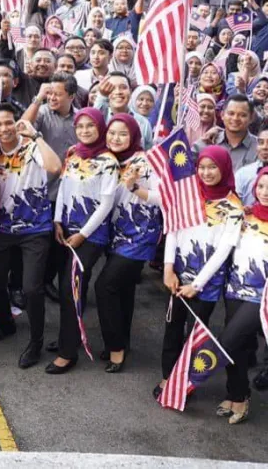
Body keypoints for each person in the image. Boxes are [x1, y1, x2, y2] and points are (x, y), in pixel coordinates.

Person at [155, 145, 243, 402]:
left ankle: (184, 381)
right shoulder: (188, 195)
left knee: (194, 334)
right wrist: (168, 268)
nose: (206, 172)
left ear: (224, 168)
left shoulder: (233, 207)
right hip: (178, 277)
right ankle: (167, 376)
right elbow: (173, 230)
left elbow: (223, 251)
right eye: (202, 167)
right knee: (172, 329)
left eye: (212, 167)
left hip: (206, 285)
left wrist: (198, 283)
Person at [0, 103, 62, 368]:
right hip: (3, 227)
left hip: (35, 229)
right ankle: (6, 325)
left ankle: (36, 343)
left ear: (17, 123)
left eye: (9, 122)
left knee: (31, 288)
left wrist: (36, 136)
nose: (4, 128)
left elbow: (54, 167)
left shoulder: (32, 148)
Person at [48, 108, 119, 374]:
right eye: (81, 126)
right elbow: (64, 189)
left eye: (91, 126)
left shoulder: (108, 161)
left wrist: (83, 235)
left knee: (71, 287)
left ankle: (68, 353)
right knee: (68, 287)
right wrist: (57, 221)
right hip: (67, 229)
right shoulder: (73, 154)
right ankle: (70, 336)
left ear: (100, 128)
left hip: (91, 234)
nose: (86, 131)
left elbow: (106, 204)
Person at [94, 114, 161, 373]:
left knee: (105, 286)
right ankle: (122, 340)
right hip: (114, 234)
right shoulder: (107, 160)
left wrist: (135, 188)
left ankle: (116, 348)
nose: (116, 138)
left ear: (133, 135)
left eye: (123, 134)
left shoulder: (144, 162)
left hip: (139, 237)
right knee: (122, 290)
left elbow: (163, 198)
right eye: (112, 133)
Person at [217, 167, 268, 424]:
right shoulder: (244, 216)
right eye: (261, 186)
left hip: (261, 297)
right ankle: (236, 393)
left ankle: (239, 396)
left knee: (228, 340)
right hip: (234, 289)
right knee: (236, 345)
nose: (265, 192)